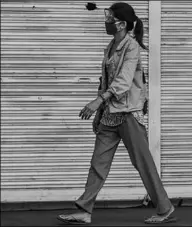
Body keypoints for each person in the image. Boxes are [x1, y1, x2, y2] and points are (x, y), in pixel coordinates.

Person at [57, 2, 176, 225]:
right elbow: (105, 81)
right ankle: (84, 210)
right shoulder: (111, 45)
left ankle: (165, 208)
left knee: (143, 163)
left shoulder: (131, 47)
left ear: (121, 24)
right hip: (110, 114)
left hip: (129, 114)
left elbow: (123, 81)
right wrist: (100, 112)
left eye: (110, 18)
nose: (107, 21)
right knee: (97, 163)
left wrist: (98, 101)